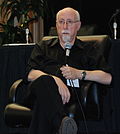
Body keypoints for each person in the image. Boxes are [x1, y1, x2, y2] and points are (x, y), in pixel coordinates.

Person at [23, 7, 112, 134]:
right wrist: (55, 80)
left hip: (67, 97)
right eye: (61, 22)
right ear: (56, 25)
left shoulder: (88, 49)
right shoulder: (44, 46)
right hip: (37, 91)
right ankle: (61, 122)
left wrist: (80, 74)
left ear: (78, 25)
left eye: (69, 22)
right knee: (44, 81)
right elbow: (30, 73)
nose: (64, 26)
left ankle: (63, 124)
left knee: (42, 108)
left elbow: (107, 78)